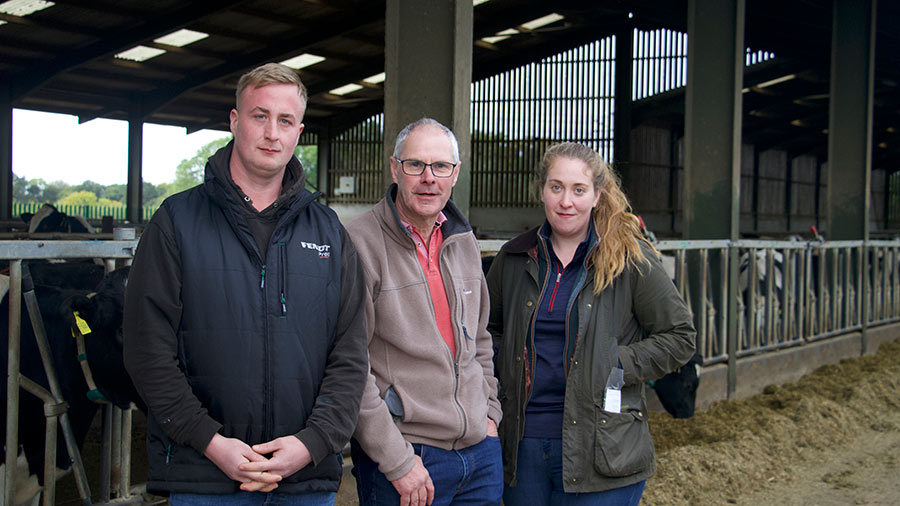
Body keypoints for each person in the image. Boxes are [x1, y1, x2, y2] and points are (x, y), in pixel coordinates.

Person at [123, 63, 368, 506]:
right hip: (205, 477)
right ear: (234, 121)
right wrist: (210, 441)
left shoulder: (330, 232)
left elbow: (350, 353)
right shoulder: (176, 222)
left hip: (304, 481)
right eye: (260, 116)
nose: (272, 132)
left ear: (299, 133)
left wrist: (311, 443)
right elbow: (147, 351)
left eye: (285, 121)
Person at [486, 142, 696, 506]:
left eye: (578, 190)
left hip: (604, 445)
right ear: (542, 191)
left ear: (597, 195)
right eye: (556, 187)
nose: (566, 201)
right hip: (523, 447)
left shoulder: (630, 258)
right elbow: (486, 331)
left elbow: (679, 337)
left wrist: (614, 364)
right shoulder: (514, 258)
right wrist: (505, 367)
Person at [345, 118, 503, 506]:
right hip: (408, 453)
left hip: (479, 452)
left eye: (440, 167)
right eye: (415, 165)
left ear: (455, 174)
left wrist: (490, 414)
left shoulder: (464, 242)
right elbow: (350, 364)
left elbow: (480, 338)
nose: (428, 178)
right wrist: (396, 459)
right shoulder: (359, 243)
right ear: (395, 168)